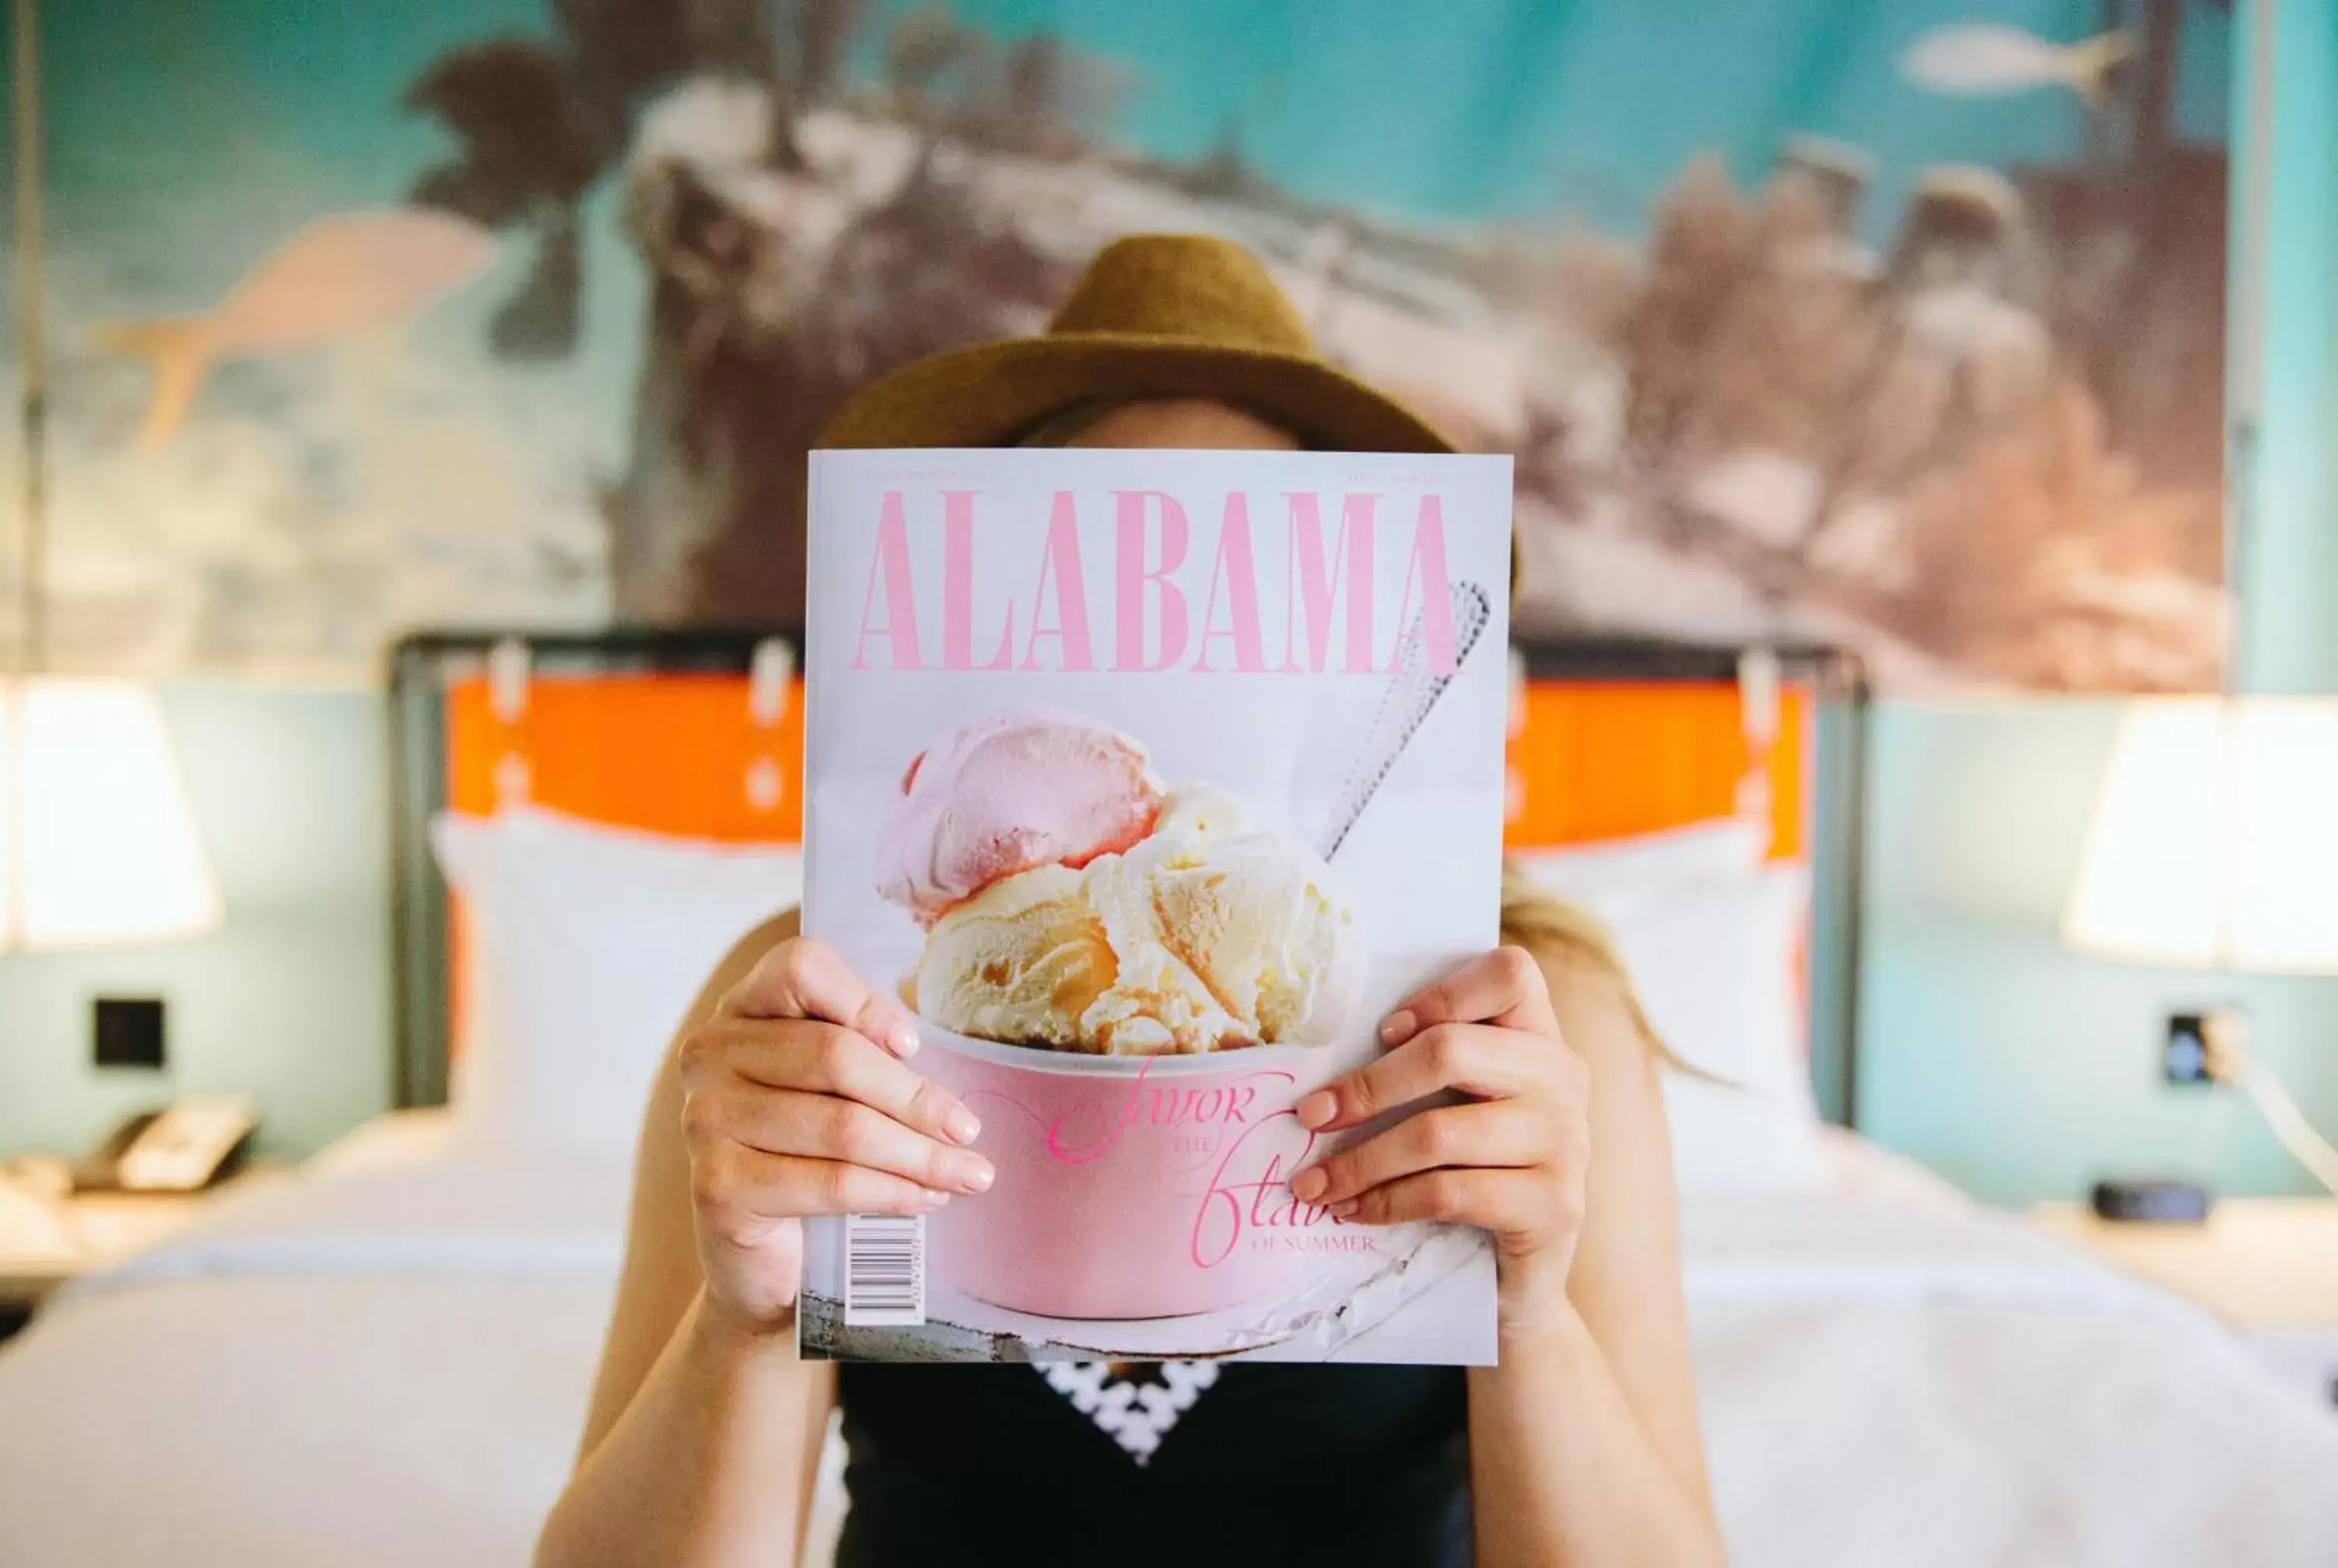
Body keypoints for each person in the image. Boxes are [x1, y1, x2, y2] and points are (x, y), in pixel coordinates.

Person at [537, 235, 1724, 1568]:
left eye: (1242, 564)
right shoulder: (808, 1004)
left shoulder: (1530, 1031)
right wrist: (743, 1323)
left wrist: (1532, 1317)